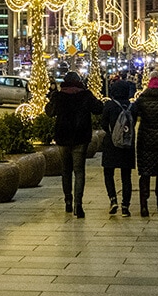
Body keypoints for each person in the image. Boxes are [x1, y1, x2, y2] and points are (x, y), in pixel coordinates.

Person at [45, 71, 104, 218]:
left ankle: (68, 202)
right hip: (80, 138)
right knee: (79, 171)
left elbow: (49, 112)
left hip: (63, 137)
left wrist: (52, 97)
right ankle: (79, 204)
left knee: (66, 171)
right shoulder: (85, 95)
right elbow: (99, 109)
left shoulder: (59, 96)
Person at [131, 72, 158, 216]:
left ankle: (144, 206)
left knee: (145, 171)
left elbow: (134, 114)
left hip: (145, 137)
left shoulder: (142, 98)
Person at [101, 79, 136, 216]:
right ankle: (125, 206)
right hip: (127, 144)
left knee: (108, 173)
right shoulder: (132, 106)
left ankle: (113, 199)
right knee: (126, 176)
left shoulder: (109, 105)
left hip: (111, 143)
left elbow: (104, 123)